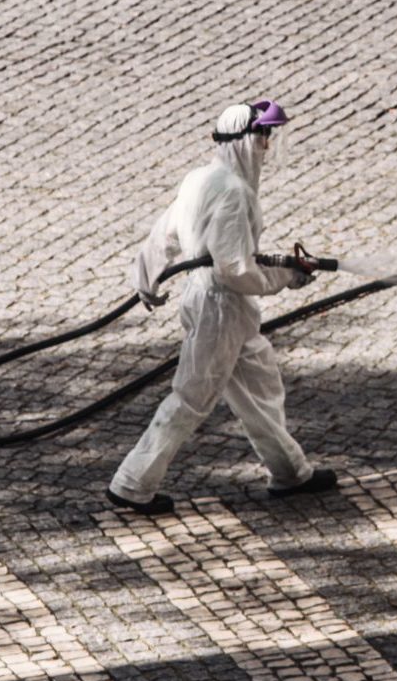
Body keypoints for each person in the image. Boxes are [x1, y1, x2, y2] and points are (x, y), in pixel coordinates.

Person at [106, 100, 337, 516]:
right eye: (263, 137)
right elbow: (235, 270)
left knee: (260, 387)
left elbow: (165, 232)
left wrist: (146, 276)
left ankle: (290, 472)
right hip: (220, 309)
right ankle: (132, 485)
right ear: (245, 141)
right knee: (192, 398)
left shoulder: (200, 179)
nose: (267, 147)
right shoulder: (233, 192)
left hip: (222, 307)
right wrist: (284, 278)